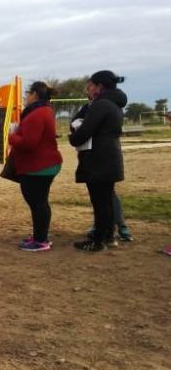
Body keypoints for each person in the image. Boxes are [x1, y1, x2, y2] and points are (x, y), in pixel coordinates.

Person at [69, 70, 127, 252]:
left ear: (99, 86)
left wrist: (73, 138)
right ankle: (108, 236)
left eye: (90, 86)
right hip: (110, 158)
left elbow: (84, 132)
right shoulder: (114, 104)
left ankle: (97, 241)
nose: (89, 89)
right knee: (107, 200)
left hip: (98, 160)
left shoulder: (101, 105)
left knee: (100, 202)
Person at [9, 82, 63, 252]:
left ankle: (40, 240)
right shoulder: (44, 111)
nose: (25, 97)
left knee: (37, 203)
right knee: (40, 203)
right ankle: (40, 236)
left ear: (34, 94)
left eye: (27, 93)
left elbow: (28, 143)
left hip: (38, 166)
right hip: (43, 164)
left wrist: (12, 137)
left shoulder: (37, 114)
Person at [73, 103, 134, 244]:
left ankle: (113, 232)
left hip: (101, 160)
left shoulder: (104, 107)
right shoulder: (91, 107)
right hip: (99, 159)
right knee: (104, 199)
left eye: (90, 87)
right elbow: (75, 122)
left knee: (105, 199)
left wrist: (76, 136)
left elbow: (85, 131)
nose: (87, 91)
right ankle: (106, 231)